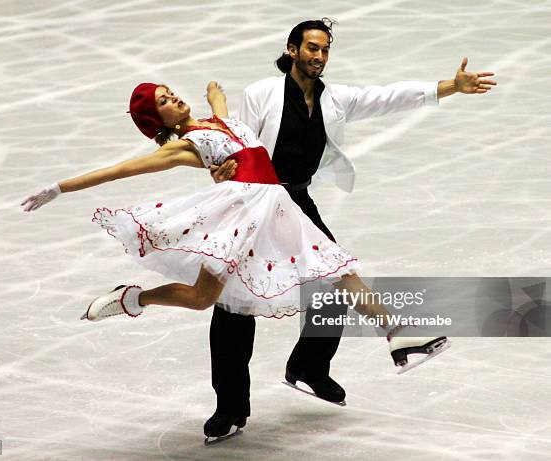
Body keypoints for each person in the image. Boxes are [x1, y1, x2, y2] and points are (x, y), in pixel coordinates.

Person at [20, 80, 446, 439]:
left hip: (278, 208)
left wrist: (213, 94)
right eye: (163, 103)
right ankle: (135, 299)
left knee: (338, 270)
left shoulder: (217, 116)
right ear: (159, 123)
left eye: (170, 92)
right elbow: (120, 170)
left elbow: (221, 107)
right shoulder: (184, 147)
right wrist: (60, 188)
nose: (173, 99)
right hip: (239, 216)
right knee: (204, 298)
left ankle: (400, 337)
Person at [204, 18, 496, 437]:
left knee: (335, 281)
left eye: (324, 49)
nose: (319, 56)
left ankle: (308, 366)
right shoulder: (261, 93)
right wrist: (222, 173)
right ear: (292, 50)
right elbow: (234, 142)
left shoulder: (333, 98)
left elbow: (388, 98)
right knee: (235, 306)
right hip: (253, 205)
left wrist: (449, 87)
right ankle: (229, 408)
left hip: (296, 202)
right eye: (311, 48)